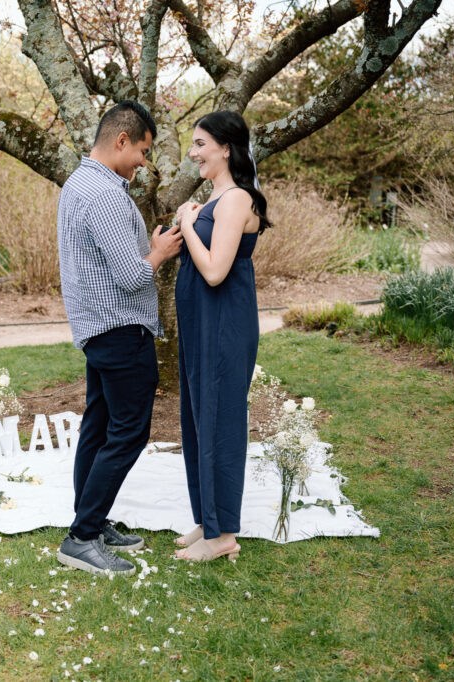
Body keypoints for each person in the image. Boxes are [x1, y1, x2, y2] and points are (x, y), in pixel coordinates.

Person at [55, 100, 183, 576]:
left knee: (98, 426)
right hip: (120, 328)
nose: (144, 164)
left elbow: (102, 260)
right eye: (144, 152)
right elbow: (132, 277)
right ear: (121, 140)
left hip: (96, 327)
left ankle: (91, 519)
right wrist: (161, 251)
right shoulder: (107, 194)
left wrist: (143, 248)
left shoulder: (78, 183)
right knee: (128, 433)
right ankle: (83, 537)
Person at [172, 110, 271, 563]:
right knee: (197, 416)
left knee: (220, 420)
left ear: (225, 148)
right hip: (201, 322)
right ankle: (207, 519)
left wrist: (189, 225)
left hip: (224, 321)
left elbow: (215, 271)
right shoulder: (215, 198)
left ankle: (223, 534)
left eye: (199, 144)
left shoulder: (235, 200)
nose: (192, 153)